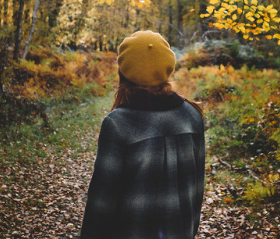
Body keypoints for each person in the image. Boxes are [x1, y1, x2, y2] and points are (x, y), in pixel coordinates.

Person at [80, 30, 205, 239]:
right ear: (167, 69)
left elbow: (102, 202)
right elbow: (196, 191)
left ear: (124, 72)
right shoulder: (192, 115)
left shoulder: (118, 124)